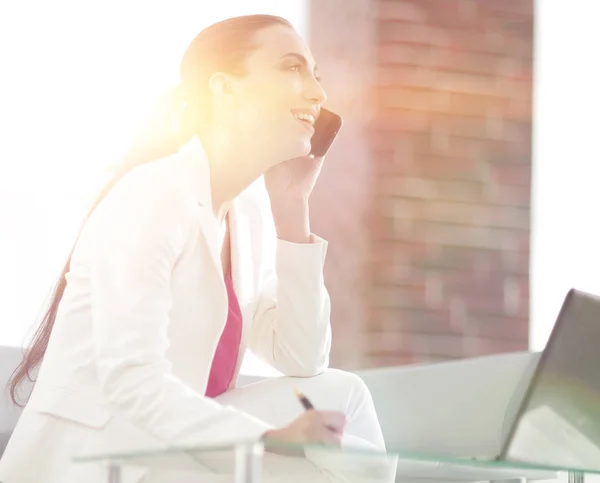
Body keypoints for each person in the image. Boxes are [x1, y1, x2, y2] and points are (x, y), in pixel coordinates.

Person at [0, 14, 392, 483]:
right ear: (224, 90)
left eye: (315, 74)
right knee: (351, 470)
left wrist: (292, 208)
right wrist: (268, 442)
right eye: (292, 68)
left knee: (343, 394)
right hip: (108, 457)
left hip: (174, 445)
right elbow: (131, 382)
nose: (317, 93)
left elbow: (302, 357)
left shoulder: (243, 218)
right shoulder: (152, 196)